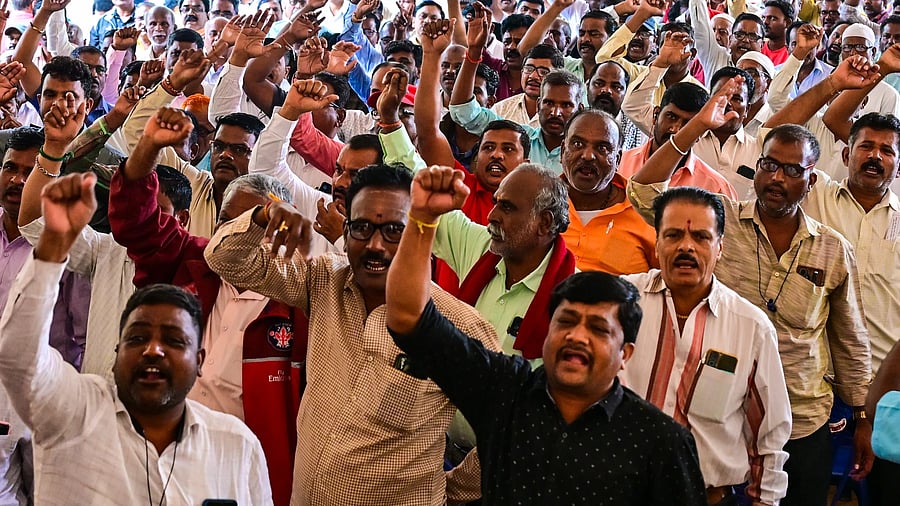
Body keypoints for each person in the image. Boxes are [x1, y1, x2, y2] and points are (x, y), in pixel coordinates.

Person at [383, 165, 708, 505]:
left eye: (597, 329)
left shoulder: (657, 441)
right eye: (566, 322)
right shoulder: (506, 393)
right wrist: (421, 219)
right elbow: (409, 317)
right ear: (547, 329)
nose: (577, 337)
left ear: (624, 353)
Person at [629, 78, 874, 505]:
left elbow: (849, 338)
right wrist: (695, 129)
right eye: (769, 165)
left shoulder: (834, 250)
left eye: (792, 170)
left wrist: (862, 417)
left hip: (800, 419)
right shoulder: (717, 222)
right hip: (717, 416)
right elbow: (644, 191)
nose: (777, 177)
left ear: (811, 181)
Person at [204, 163, 499, 505]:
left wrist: (448, 490)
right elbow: (225, 260)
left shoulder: (457, 324)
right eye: (361, 228)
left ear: (422, 235)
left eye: (393, 230)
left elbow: (509, 431)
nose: (375, 245)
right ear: (344, 233)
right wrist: (264, 214)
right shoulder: (322, 281)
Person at [0, 170, 271, 504]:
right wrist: (53, 247)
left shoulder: (235, 446)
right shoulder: (75, 412)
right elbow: (17, 357)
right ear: (118, 348)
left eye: (174, 341)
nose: (153, 350)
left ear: (199, 359)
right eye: (137, 338)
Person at [109, 106, 307, 506]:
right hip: (157, 456)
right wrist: (148, 147)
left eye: (253, 223)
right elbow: (136, 222)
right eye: (225, 223)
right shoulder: (192, 260)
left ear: (278, 228)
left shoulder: (303, 300)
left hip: (248, 472)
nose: (233, 234)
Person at [622, 186, 792, 505]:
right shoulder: (622, 303)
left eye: (701, 237)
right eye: (673, 235)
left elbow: (769, 438)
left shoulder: (751, 328)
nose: (686, 246)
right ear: (656, 244)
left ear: (720, 248)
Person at [618, 82, 737, 198]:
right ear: (656, 115)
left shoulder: (717, 189)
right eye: (671, 116)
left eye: (688, 123)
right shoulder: (618, 164)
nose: (676, 129)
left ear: (702, 132)